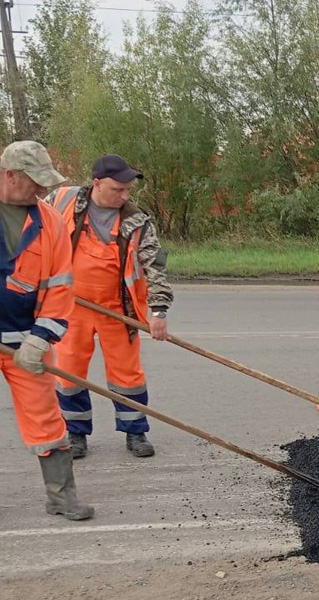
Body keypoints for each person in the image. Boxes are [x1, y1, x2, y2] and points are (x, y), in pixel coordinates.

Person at [47, 154, 173, 459]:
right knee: (69, 372)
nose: (125, 196)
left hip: (118, 309)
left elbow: (155, 265)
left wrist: (158, 311)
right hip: (71, 304)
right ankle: (75, 434)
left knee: (127, 375)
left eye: (128, 190)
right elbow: (30, 224)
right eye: (118, 189)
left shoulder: (136, 220)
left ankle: (135, 432)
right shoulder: (62, 200)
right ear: (97, 183)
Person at [0, 140, 94, 520]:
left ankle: (61, 496)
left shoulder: (50, 221)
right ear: (9, 175)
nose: (42, 190)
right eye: (35, 181)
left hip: (25, 342)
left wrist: (41, 338)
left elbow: (60, 287)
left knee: (47, 421)